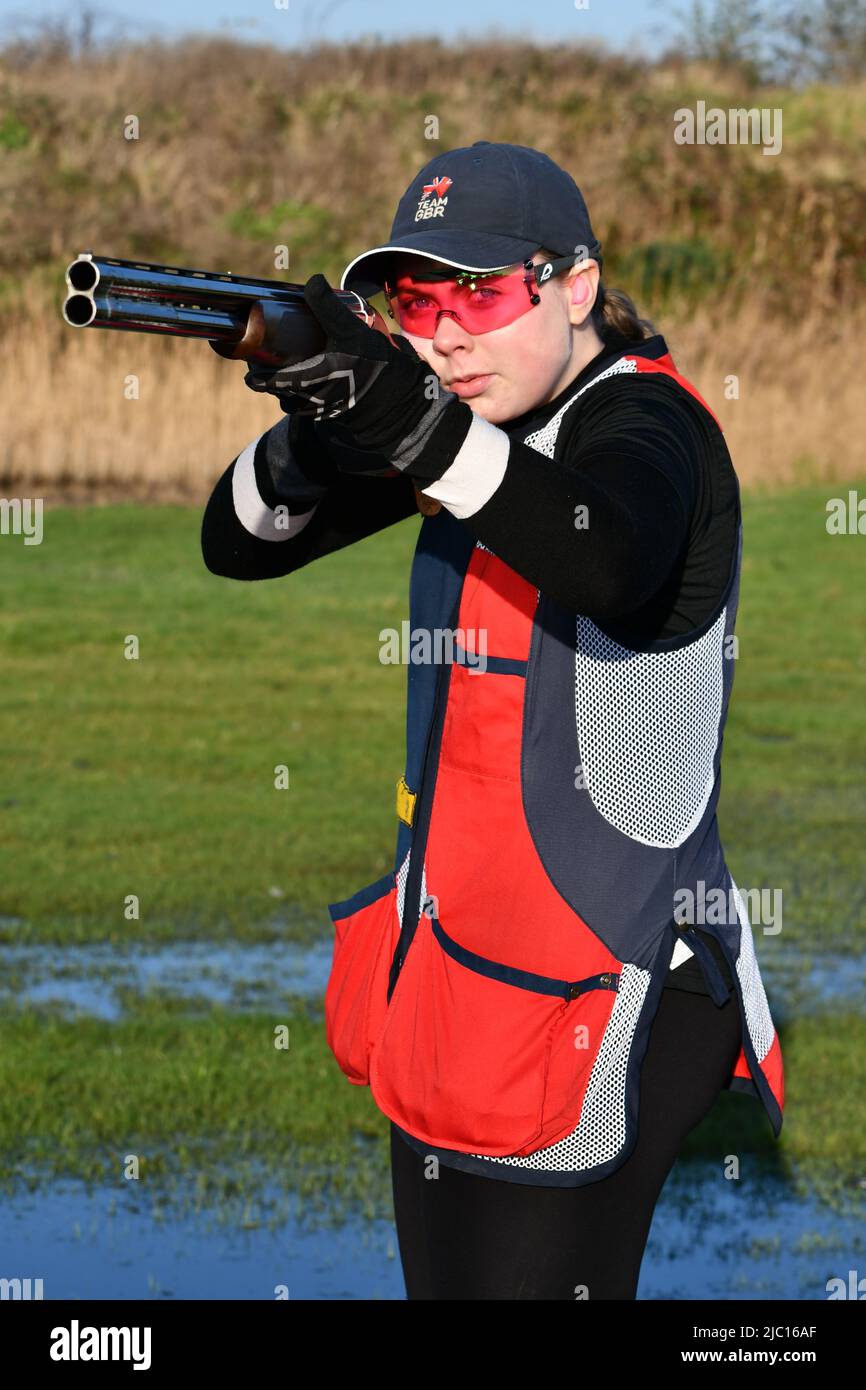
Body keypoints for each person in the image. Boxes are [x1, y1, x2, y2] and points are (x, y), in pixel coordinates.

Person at [201, 141, 784, 1300]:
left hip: (614, 978)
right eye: (414, 300)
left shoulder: (649, 430)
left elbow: (606, 552)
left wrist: (412, 427)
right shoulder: (478, 422)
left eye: (481, 291)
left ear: (574, 287)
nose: (446, 331)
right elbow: (238, 544)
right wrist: (321, 430)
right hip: (463, 979)